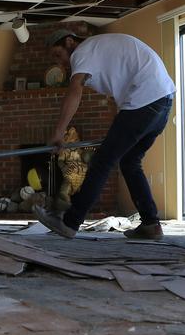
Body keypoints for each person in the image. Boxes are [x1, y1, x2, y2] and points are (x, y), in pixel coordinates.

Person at [32, 29, 175, 240]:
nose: (60, 64)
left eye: (58, 55)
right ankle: (151, 224)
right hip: (163, 101)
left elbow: (75, 91)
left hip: (145, 98)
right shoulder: (99, 51)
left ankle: (69, 223)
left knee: (102, 162)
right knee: (130, 161)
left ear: (70, 42)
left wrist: (58, 132)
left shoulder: (82, 52)